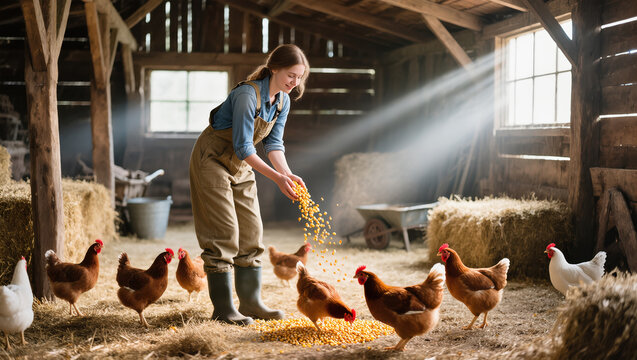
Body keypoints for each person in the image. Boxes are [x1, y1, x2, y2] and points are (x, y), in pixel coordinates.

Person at [189, 44, 309, 325]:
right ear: (275, 68)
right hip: (213, 160)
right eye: (291, 75)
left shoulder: (283, 101)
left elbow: (273, 144)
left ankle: (251, 303)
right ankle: (224, 309)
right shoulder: (247, 95)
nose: (295, 82)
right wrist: (277, 179)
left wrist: (287, 174)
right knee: (224, 232)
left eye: (300, 77)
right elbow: (243, 146)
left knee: (252, 231)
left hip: (242, 164)